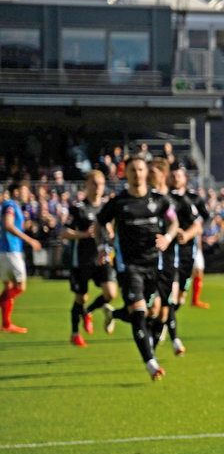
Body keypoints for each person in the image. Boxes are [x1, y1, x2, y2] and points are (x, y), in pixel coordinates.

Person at [95, 157, 179, 381]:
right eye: (132, 170)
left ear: (145, 172)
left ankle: (113, 314)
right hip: (129, 266)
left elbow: (173, 221)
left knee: (154, 311)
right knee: (140, 312)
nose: (137, 173)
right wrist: (104, 245)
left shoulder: (159, 200)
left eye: (140, 169)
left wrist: (169, 237)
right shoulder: (118, 202)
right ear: (126, 173)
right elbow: (99, 222)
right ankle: (151, 363)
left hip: (155, 264)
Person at [62, 171, 118, 346]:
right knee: (80, 297)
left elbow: (111, 228)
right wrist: (84, 234)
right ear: (86, 184)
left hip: (104, 257)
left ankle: (88, 312)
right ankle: (75, 333)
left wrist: (109, 231)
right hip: (83, 259)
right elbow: (64, 232)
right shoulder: (78, 207)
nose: (98, 187)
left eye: (101, 183)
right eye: (94, 183)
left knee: (111, 293)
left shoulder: (106, 206)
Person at [167, 163, 208, 354]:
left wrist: (191, 234)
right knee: (171, 294)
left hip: (188, 251)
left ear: (185, 178)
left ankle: (164, 319)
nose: (176, 179)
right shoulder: (164, 198)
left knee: (181, 297)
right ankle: (171, 334)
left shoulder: (193, 198)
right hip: (168, 252)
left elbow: (203, 220)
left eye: (179, 176)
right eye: (173, 175)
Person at [147, 158, 186, 356]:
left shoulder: (173, 200)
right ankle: (165, 342)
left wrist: (181, 234)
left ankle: (152, 349)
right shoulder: (144, 197)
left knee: (165, 308)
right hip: (146, 261)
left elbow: (189, 222)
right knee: (151, 307)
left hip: (170, 260)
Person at [1, 181, 43, 334]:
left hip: (6, 250)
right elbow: (8, 225)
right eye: (25, 191)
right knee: (20, 286)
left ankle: (6, 324)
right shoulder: (10, 205)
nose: (28, 194)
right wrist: (29, 239)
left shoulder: (14, 206)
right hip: (11, 250)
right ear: (16, 191)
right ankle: (3, 311)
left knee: (9, 287)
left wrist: (27, 226)